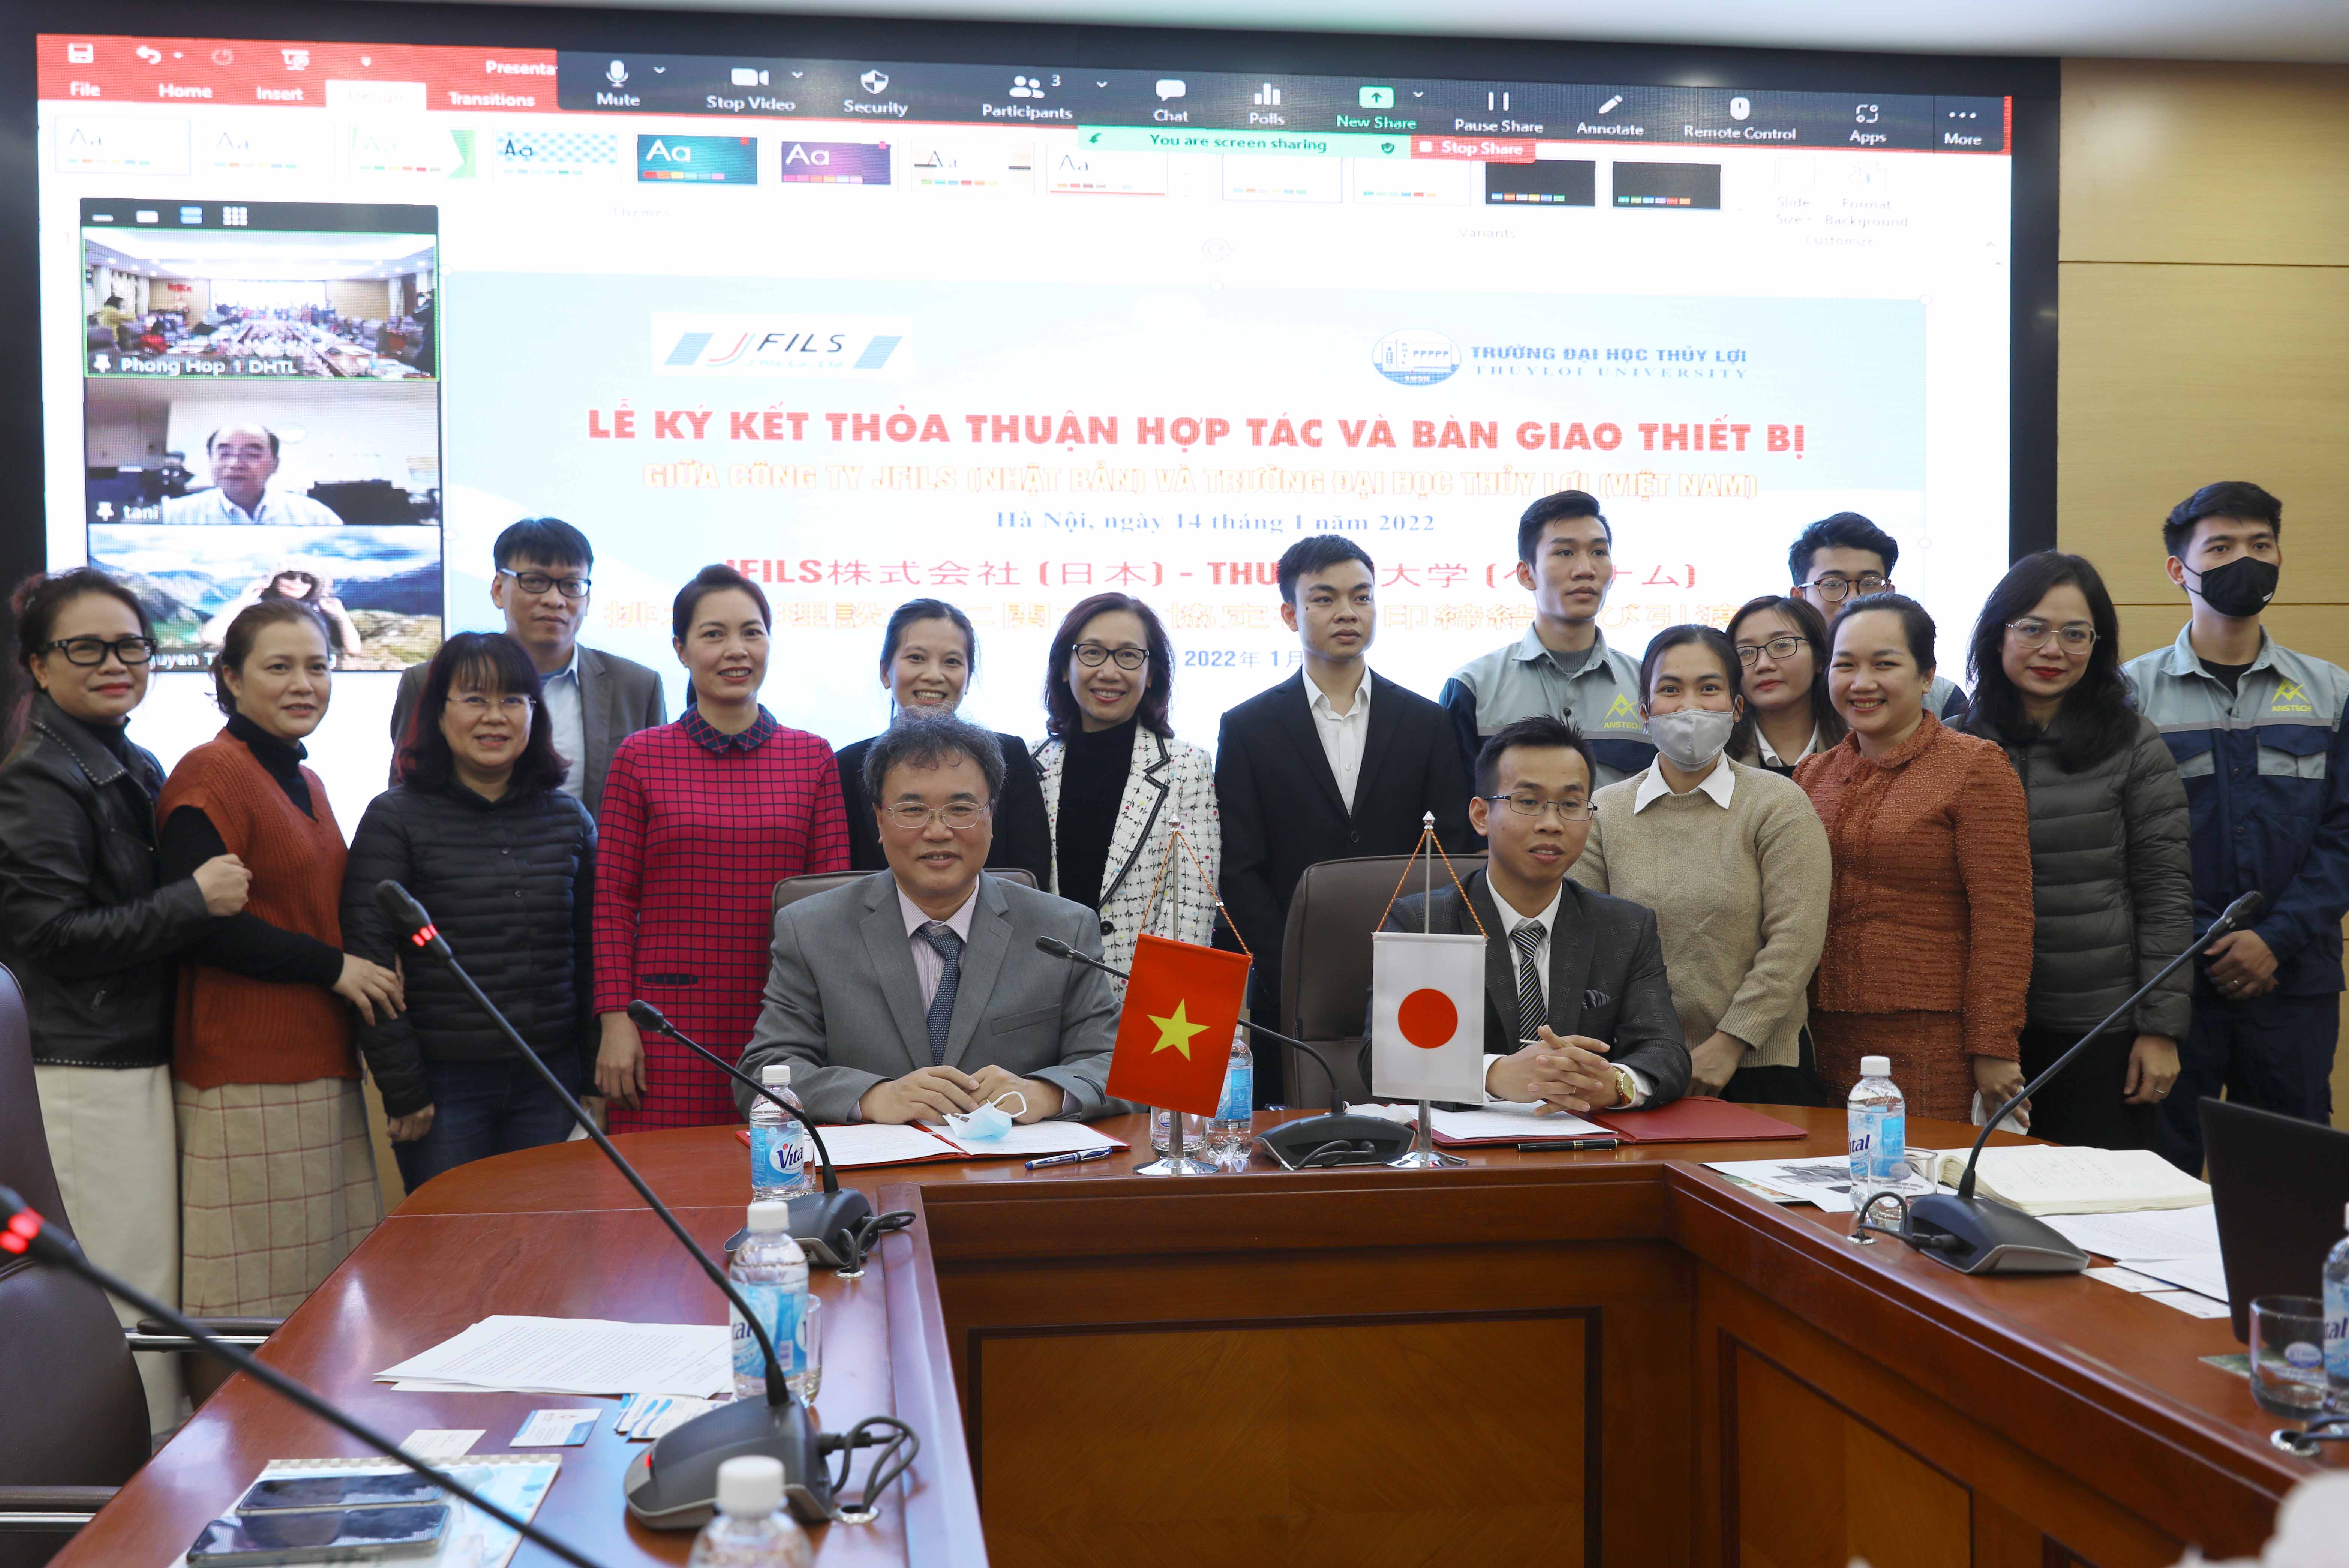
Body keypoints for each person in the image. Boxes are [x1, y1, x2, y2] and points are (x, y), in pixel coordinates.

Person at [0, 568, 244, 1432]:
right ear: (39, 664)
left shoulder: (122, 760)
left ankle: (149, 1475)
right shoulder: (40, 776)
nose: (115, 663)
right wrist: (193, 901)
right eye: (87, 648)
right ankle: (119, 1490)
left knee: (146, 1286)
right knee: (117, 1294)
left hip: (126, 1055)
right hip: (80, 1068)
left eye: (131, 646)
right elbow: (50, 935)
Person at [157, 600, 402, 1318]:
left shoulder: (308, 779)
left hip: (318, 1064)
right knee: (249, 1310)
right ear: (231, 678)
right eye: (280, 667)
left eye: (318, 666)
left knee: (322, 1305)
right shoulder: (212, 772)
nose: (304, 683)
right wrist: (336, 968)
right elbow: (206, 927)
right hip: (247, 1075)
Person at [736, 714, 1121, 1124]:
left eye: (960, 809)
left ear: (991, 816)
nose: (938, 832)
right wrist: (872, 1098)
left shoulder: (1063, 930)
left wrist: (1045, 1093)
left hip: (1015, 1162)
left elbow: (1114, 1063)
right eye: (913, 810)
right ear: (880, 820)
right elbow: (763, 1071)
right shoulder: (811, 929)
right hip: (876, 1164)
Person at [2120, 482, 2349, 1170]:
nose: (2244, 560)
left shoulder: (2331, 692)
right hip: (2171, 985)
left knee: (2289, 1182)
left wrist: (2273, 939)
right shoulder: (2129, 695)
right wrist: (2205, 943)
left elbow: (2343, 835)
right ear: (2178, 569)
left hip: (2293, 980)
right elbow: (2120, 842)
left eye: (2260, 544)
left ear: (2279, 558)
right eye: (2220, 547)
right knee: (2158, 1177)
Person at [1216, 535, 1472, 1102]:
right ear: (1291, 614)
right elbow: (1240, 866)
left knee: (1413, 1114)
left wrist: (1419, 946)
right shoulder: (1247, 727)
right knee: (1297, 1121)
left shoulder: (1426, 722)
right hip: (1292, 978)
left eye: (1361, 596)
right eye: (1324, 598)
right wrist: (1287, 964)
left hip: (1413, 969)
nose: (1347, 612)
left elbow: (1449, 849)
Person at [591, 566, 849, 1130]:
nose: (736, 650)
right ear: (681, 650)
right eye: (714, 634)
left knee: (780, 1173)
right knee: (662, 1178)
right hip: (664, 1025)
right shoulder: (640, 756)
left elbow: (833, 908)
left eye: (752, 632)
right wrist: (614, 1019)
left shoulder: (812, 757)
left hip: (784, 1021)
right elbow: (611, 900)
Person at [342, 633, 596, 1187]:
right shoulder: (394, 818)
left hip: (549, 1077)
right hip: (444, 1085)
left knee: (548, 1232)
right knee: (453, 1237)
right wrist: (403, 1087)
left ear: (535, 714)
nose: (495, 717)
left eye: (513, 700)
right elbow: (370, 959)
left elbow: (590, 952)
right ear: (438, 713)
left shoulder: (570, 820)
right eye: (475, 699)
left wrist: (593, 1073)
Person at [1963, 553, 2190, 1150]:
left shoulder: (2133, 743)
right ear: (1997, 635)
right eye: (2032, 628)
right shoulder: (1957, 741)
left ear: (2098, 643)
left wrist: (2161, 1029)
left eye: (2075, 633)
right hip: (1982, 1028)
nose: (2052, 649)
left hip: (2100, 1025)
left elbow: (2165, 893)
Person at [1571, 626, 1835, 1105]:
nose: (1689, 706)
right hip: (1635, 1071)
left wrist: (1730, 1043)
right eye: (1671, 690)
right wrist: (1649, 1057)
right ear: (1644, 712)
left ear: (1737, 708)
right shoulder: (1604, 811)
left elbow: (1795, 940)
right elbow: (1589, 942)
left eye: (1709, 688)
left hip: (1761, 1066)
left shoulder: (1778, 803)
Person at [1796, 594, 2034, 1121]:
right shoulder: (1811, 774)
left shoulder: (1974, 766)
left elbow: (2004, 920)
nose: (1861, 682)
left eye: (1884, 664)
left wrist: (1994, 1045)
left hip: (1935, 1041)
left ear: (1926, 676)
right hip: (1821, 1034)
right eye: (1845, 665)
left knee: (1922, 1171)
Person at [1385, 716, 1690, 1112]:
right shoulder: (1424, 922)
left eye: (1571, 805)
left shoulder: (1626, 928)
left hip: (1582, 1140)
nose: (1551, 824)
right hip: (1464, 1142)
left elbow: (1666, 1051)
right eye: (1528, 802)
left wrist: (1614, 1083)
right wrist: (1494, 1075)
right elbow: (1386, 1055)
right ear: (1481, 815)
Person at [390, 518, 665, 811]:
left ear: (587, 599)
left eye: (572, 585)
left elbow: (657, 802)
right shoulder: (429, 680)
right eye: (535, 581)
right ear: (499, 589)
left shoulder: (636, 687)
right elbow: (403, 796)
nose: (554, 600)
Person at [1034, 592, 1221, 981]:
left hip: (1140, 993)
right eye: (1092, 653)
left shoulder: (1187, 767)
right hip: (1038, 990)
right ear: (1065, 667)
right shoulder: (1026, 765)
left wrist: (1155, 1002)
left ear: (1151, 674)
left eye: (1128, 656)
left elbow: (1190, 907)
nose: (1109, 671)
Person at [1439, 490, 1655, 789]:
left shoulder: (1649, 687)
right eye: (1565, 553)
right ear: (1526, 574)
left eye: (1599, 552)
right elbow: (1454, 806)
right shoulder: (1473, 687)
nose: (1585, 570)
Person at [834, 598, 1051, 886]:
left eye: (951, 662)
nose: (934, 676)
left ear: (968, 677)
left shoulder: (1009, 755)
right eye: (916, 658)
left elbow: (1032, 872)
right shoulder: (847, 765)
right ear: (886, 672)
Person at [1787, 512, 1970, 723]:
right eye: (1833, 584)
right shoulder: (1780, 692)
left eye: (1870, 583)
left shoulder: (1942, 698)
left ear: (1889, 593)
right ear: (1799, 598)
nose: (1853, 598)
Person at [1726, 595, 1847, 775]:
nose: (1763, 665)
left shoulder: (1859, 747)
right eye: (1746, 652)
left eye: (1782, 645)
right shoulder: (1716, 757)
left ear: (1820, 659)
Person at [158, 423, 345, 527]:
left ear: (275, 464)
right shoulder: (172, 515)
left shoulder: (315, 516)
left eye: (252, 455)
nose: (236, 464)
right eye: (225, 454)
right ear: (210, 461)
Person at [201, 564, 363, 659]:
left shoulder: (322, 613)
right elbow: (210, 636)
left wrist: (341, 617)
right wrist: (243, 601)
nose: (297, 582)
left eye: (306, 579)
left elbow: (354, 649)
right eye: (290, 576)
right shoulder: (256, 610)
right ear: (275, 581)